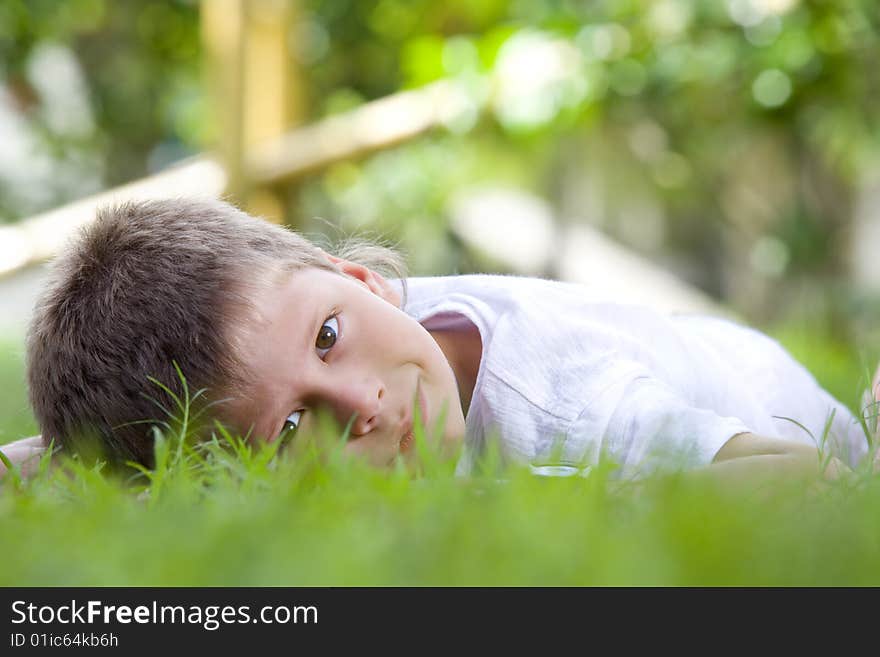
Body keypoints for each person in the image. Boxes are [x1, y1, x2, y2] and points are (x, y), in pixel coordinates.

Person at [0, 198, 876, 484]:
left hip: (782, 408)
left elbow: (808, 480)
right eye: (294, 430)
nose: (363, 405)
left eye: (330, 340)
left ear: (361, 278)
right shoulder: (341, 309)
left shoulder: (575, 410)